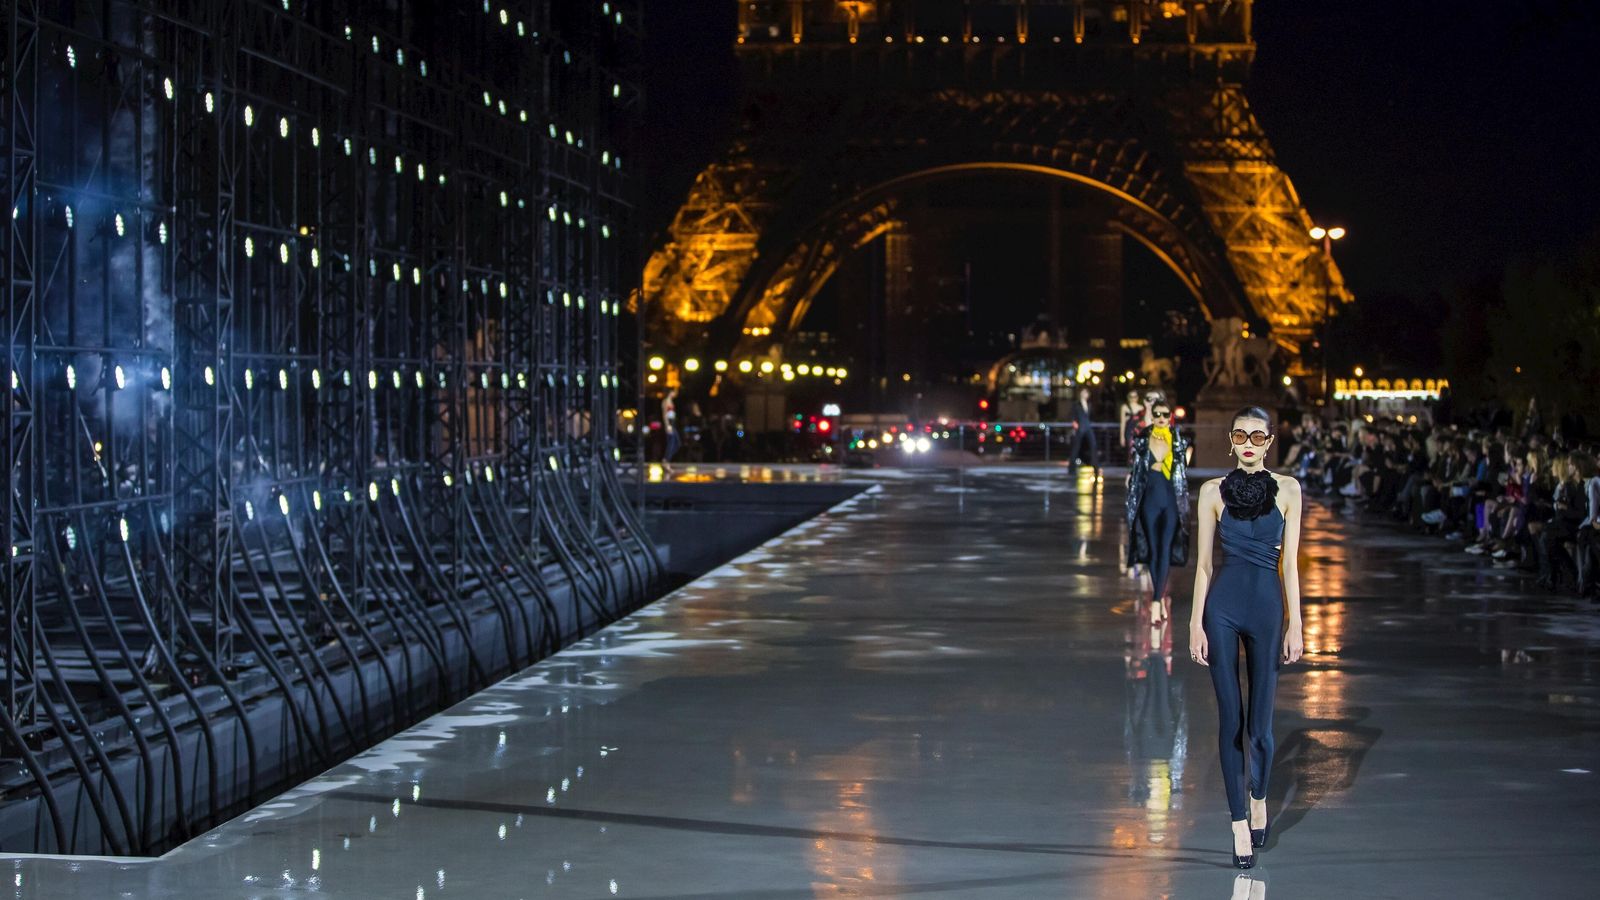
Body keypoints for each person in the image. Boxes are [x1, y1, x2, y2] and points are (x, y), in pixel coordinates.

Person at [1188, 406, 1305, 870]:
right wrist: (1195, 621)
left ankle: (1259, 796)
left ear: (1270, 441)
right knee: (1230, 722)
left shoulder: (1291, 490)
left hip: (1266, 609)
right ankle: (1238, 822)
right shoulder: (1211, 492)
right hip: (1222, 608)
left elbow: (1290, 565)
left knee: (1261, 727)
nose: (1250, 443)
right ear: (1231, 441)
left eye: (1258, 436)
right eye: (1242, 435)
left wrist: (1297, 621)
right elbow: (1202, 566)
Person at [1126, 398, 1190, 623]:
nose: (1163, 418)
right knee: (1153, 550)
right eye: (1158, 414)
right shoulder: (1143, 439)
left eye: (1166, 414)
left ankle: (1156, 600)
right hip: (1149, 502)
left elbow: (1183, 466)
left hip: (1172, 501)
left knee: (1164, 549)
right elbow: (1136, 468)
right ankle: (1158, 598)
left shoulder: (1178, 439)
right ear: (1152, 416)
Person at [1067, 386, 1100, 473]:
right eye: (1084, 392)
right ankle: (1071, 468)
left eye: (1086, 393)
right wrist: (1074, 423)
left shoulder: (1089, 404)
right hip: (1080, 426)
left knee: (1093, 445)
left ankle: (1095, 466)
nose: (1085, 394)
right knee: (1076, 447)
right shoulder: (1076, 404)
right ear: (1081, 393)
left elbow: (1091, 415)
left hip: (1088, 426)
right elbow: (1072, 415)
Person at [661, 387, 679, 474]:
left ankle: (666, 459)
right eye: (673, 392)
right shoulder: (665, 402)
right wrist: (667, 425)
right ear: (670, 392)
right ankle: (666, 461)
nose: (675, 393)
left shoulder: (671, 401)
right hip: (669, 424)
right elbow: (665, 414)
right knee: (671, 443)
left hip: (673, 423)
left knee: (677, 443)